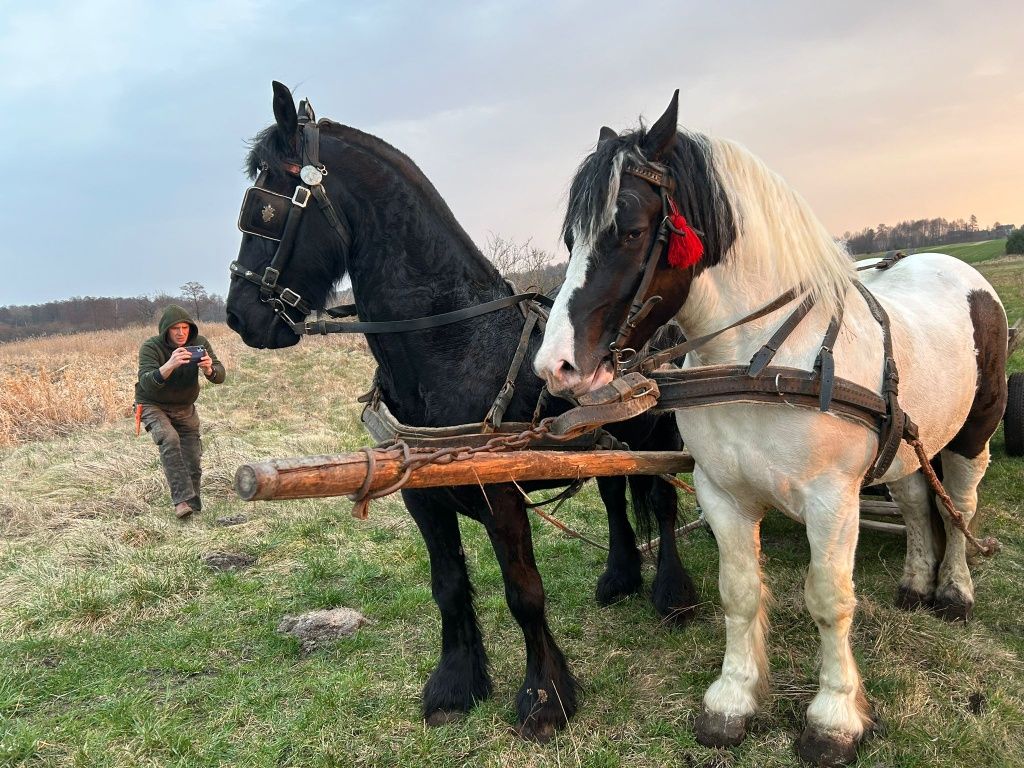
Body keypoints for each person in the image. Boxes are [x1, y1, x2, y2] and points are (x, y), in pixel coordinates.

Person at [135, 304, 226, 519]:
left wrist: (209, 369)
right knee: (169, 438)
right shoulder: (151, 347)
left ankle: (193, 507)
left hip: (185, 407)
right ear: (166, 330)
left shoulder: (199, 343)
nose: (181, 333)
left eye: (185, 327)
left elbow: (220, 375)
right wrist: (170, 365)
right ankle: (181, 502)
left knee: (192, 456)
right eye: (175, 328)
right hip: (152, 404)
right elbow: (146, 382)